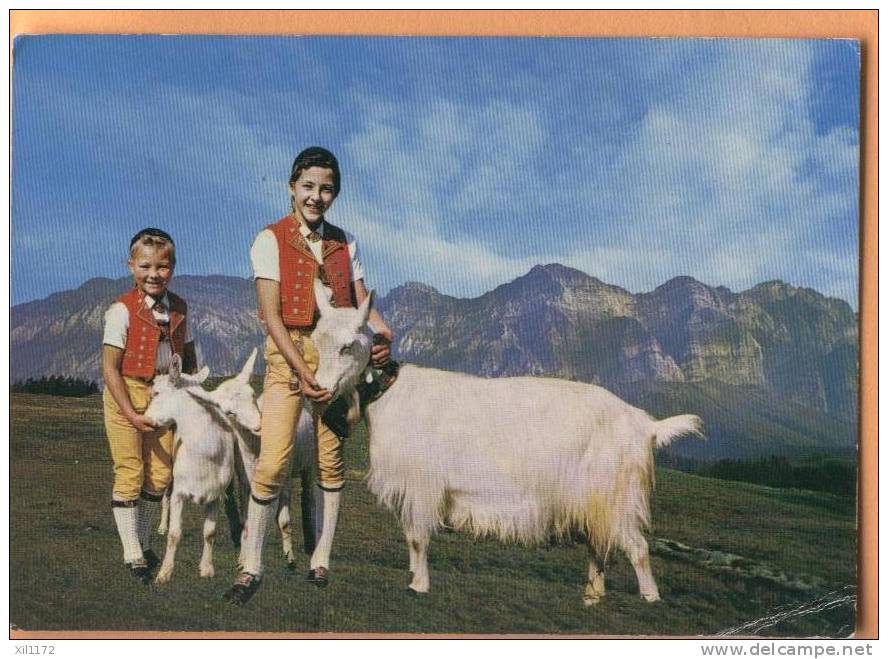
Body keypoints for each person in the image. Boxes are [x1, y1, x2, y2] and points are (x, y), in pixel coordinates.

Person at [226, 146, 392, 604]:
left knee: (330, 459)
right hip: (289, 355)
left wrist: (383, 332)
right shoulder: (269, 239)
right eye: (308, 187)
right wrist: (301, 369)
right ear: (291, 187)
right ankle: (250, 564)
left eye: (326, 189)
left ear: (334, 194)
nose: (316, 197)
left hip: (335, 356)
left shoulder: (346, 243)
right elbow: (271, 317)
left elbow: (360, 300)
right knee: (275, 459)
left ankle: (321, 559)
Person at [101, 228, 197, 584]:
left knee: (159, 474)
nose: (153, 274)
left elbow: (186, 355)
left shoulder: (180, 309)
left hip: (163, 394)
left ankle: (142, 541)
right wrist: (129, 412)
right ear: (131, 266)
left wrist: (187, 391)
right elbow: (110, 368)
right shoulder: (121, 311)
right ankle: (132, 552)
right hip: (126, 392)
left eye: (162, 266)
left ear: (172, 267)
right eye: (145, 266)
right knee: (130, 470)